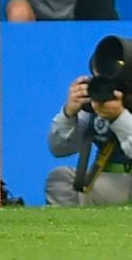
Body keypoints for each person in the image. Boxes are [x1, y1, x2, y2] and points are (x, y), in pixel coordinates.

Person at [46, 74, 132, 206]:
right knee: (60, 180)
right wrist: (68, 114)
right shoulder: (104, 99)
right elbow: (59, 149)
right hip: (111, 181)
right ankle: (71, 226)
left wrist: (119, 118)